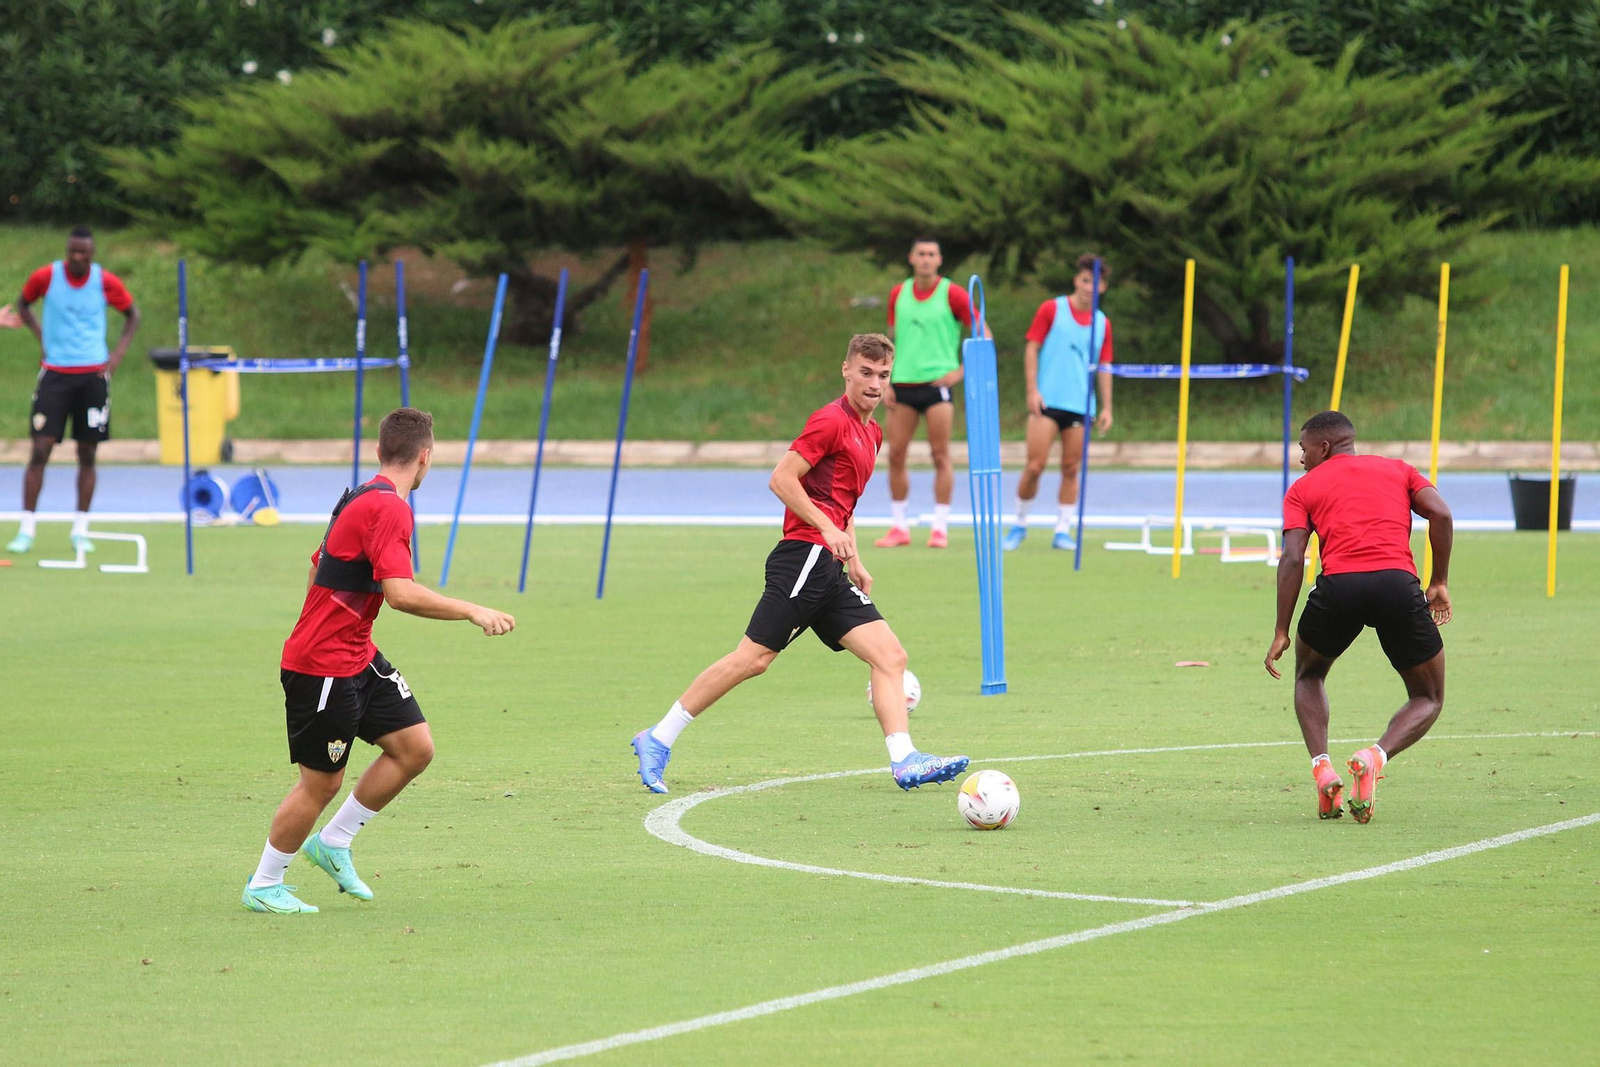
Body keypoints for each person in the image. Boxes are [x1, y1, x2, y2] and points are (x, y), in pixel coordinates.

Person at [632, 334, 969, 794]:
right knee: (753, 659)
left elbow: (841, 501)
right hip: (804, 557)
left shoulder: (872, 433)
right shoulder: (830, 421)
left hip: (828, 565)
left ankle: (905, 759)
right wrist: (827, 530)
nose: (874, 383)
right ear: (846, 370)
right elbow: (782, 479)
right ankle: (658, 737)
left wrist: (855, 556)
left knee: (891, 657)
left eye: (883, 375)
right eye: (865, 373)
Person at [241, 408, 516, 914]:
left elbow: (315, 566)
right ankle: (264, 882)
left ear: (379, 452)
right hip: (323, 665)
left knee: (414, 747)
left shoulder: (357, 495)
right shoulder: (390, 509)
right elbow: (400, 594)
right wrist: (473, 610)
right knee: (321, 783)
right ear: (426, 457)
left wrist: (333, 627)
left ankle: (335, 842)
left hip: (355, 654)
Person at [1264, 410, 1453, 824]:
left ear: (1324, 447)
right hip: (1397, 585)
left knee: (1309, 676)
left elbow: (1294, 556)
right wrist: (1438, 580)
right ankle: (1374, 756)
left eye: (1303, 449)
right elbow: (1441, 514)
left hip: (1339, 589)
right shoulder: (1399, 470)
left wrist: (1281, 629)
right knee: (1428, 696)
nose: (1300, 459)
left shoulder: (1302, 488)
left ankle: (1323, 768)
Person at [5, 226, 141, 554]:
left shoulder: (105, 282)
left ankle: (80, 529)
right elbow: (22, 304)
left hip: (92, 376)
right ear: (67, 252)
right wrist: (41, 336)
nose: (78, 257)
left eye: (84, 252)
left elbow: (132, 314)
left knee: (88, 452)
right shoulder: (46, 277)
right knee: (40, 448)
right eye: (73, 252)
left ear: (92, 254)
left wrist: (117, 354)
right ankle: (26, 529)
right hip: (55, 374)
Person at [874, 236, 986, 549]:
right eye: (920, 253)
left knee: (940, 455)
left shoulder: (953, 293)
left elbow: (983, 333)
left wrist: (961, 372)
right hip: (903, 386)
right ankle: (899, 526)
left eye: (931, 254)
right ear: (911, 257)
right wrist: (886, 381)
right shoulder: (899, 293)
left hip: (938, 387)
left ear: (939, 260)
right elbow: (893, 339)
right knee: (895, 454)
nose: (925, 259)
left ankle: (939, 527)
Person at [1004, 253, 1113, 552]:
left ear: (1103, 288)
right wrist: (1032, 390)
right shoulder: (1052, 309)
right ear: (1077, 280)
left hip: (1080, 405)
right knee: (1036, 465)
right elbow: (1032, 348)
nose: (1090, 287)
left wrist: (1106, 407)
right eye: (1085, 280)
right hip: (1048, 400)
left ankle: (1062, 529)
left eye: (1096, 283)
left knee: (1070, 467)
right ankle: (1019, 523)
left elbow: (1104, 366)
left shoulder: (1102, 323)